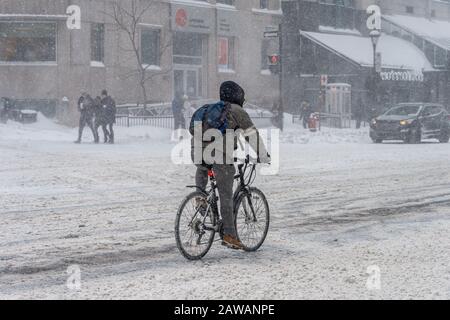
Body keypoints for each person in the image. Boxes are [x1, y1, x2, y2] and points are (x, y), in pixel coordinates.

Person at [191, 81, 271, 250]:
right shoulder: (237, 111)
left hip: (197, 151)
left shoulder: (209, 108)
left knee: (203, 166)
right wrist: (262, 155)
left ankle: (199, 197)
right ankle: (229, 235)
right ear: (238, 96)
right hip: (220, 155)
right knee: (225, 194)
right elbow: (251, 135)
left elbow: (194, 130)